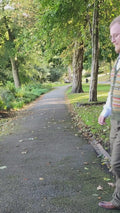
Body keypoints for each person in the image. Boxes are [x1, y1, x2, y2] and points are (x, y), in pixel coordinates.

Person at [98, 15, 120, 210]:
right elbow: (113, 90)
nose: (112, 40)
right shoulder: (118, 60)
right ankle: (117, 199)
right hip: (115, 119)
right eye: (111, 36)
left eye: (116, 35)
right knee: (116, 158)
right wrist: (105, 111)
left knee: (117, 164)